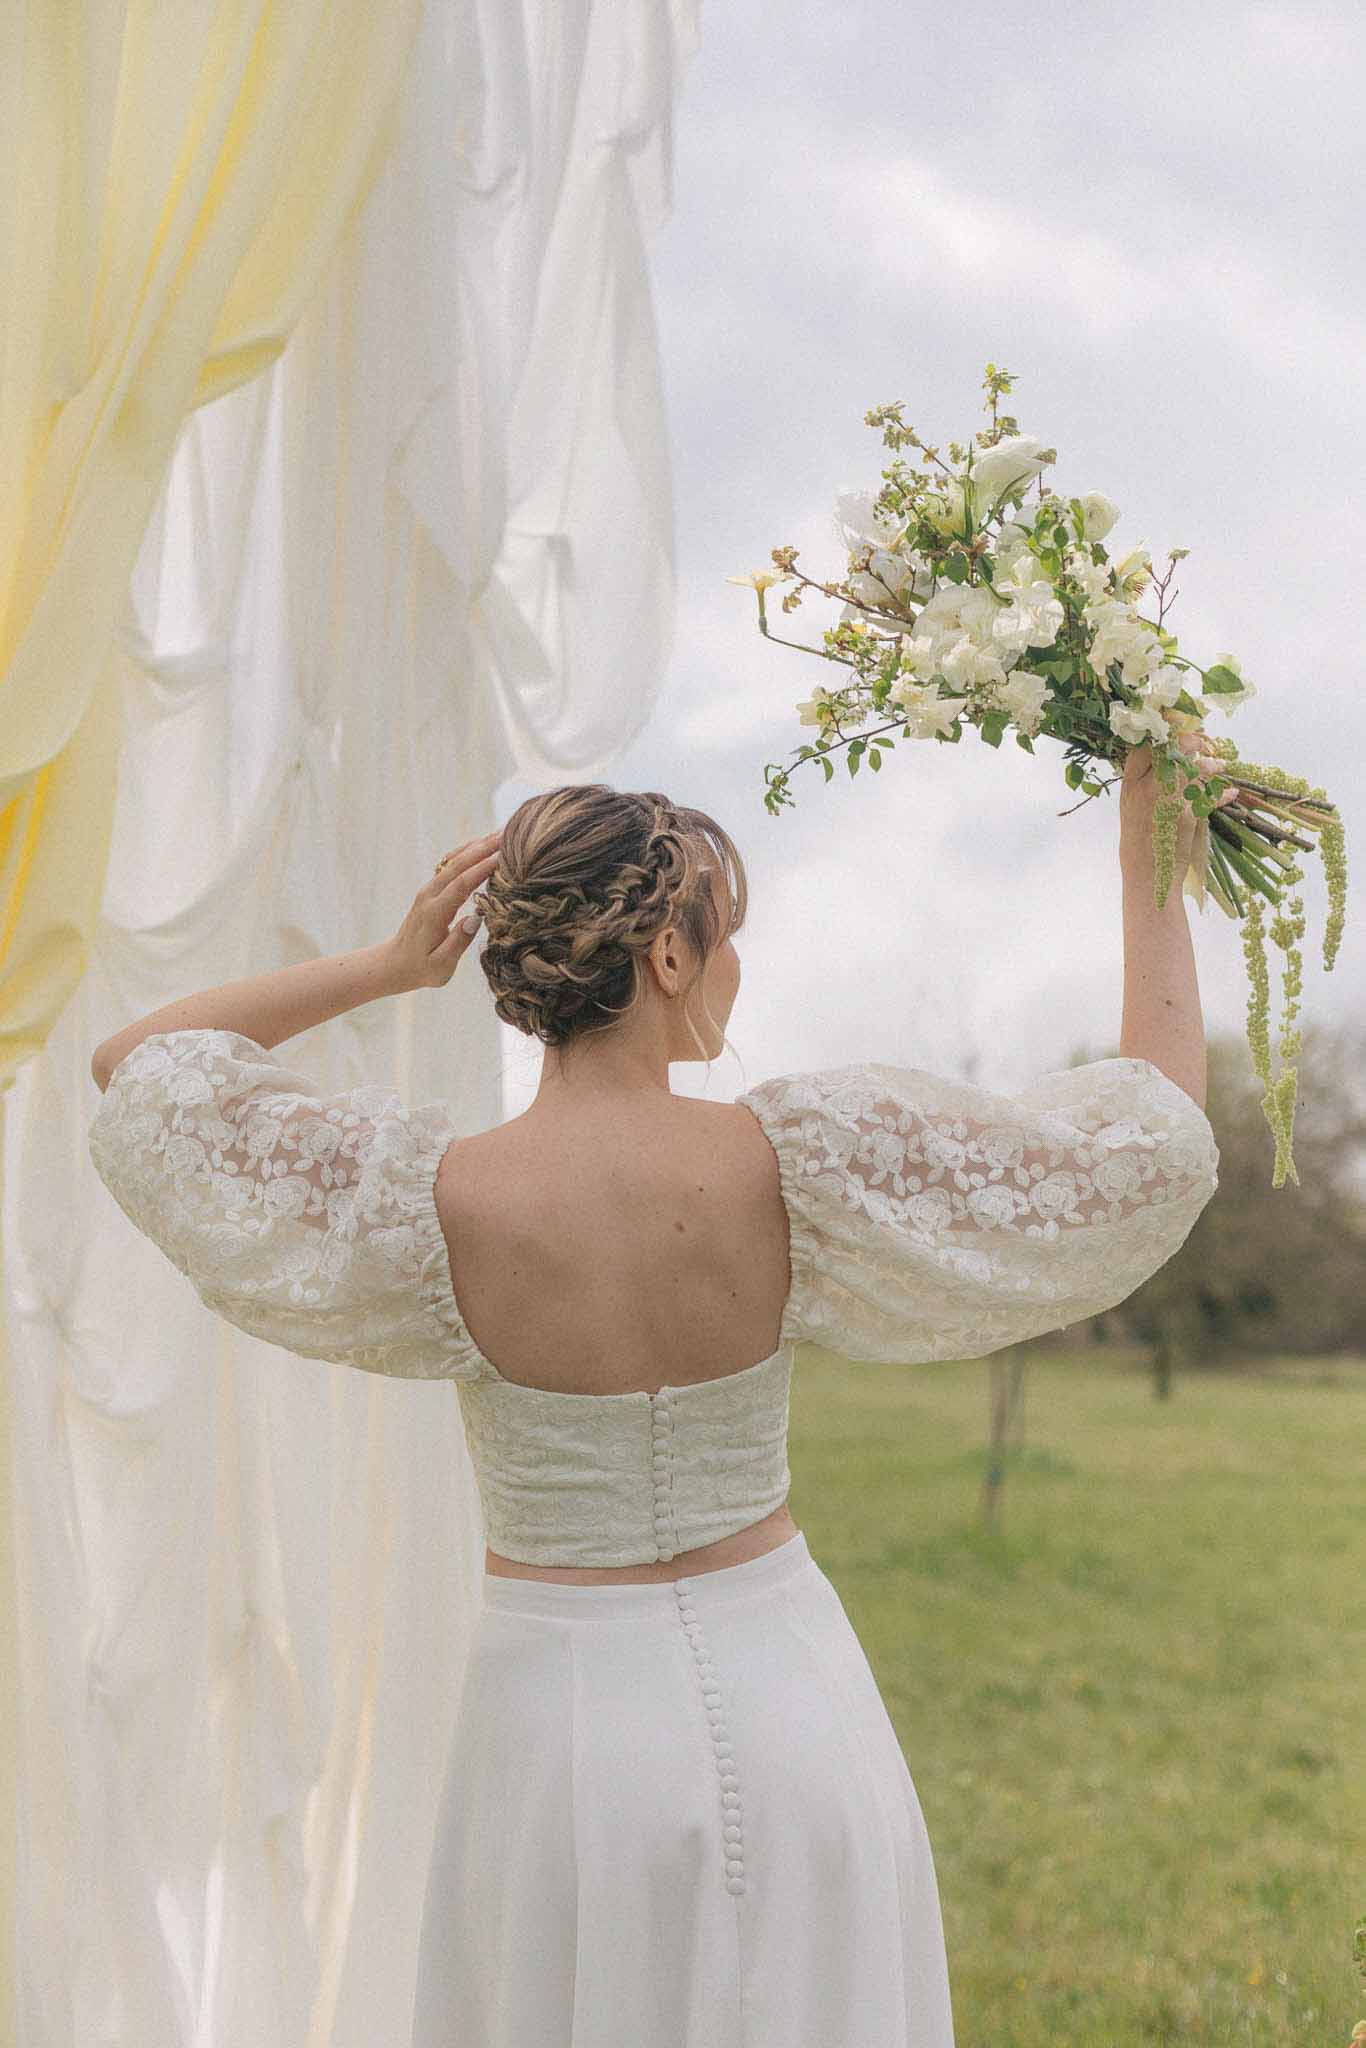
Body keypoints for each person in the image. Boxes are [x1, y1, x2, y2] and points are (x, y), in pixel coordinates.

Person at [86, 745, 1232, 2047]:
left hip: (553, 1740)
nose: (732, 964)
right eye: (722, 934)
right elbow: (1150, 1147)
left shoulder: (433, 1201)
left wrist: (391, 968)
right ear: (668, 958)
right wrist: (1153, 830)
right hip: (789, 1693)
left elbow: (141, 1065)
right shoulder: (795, 1162)